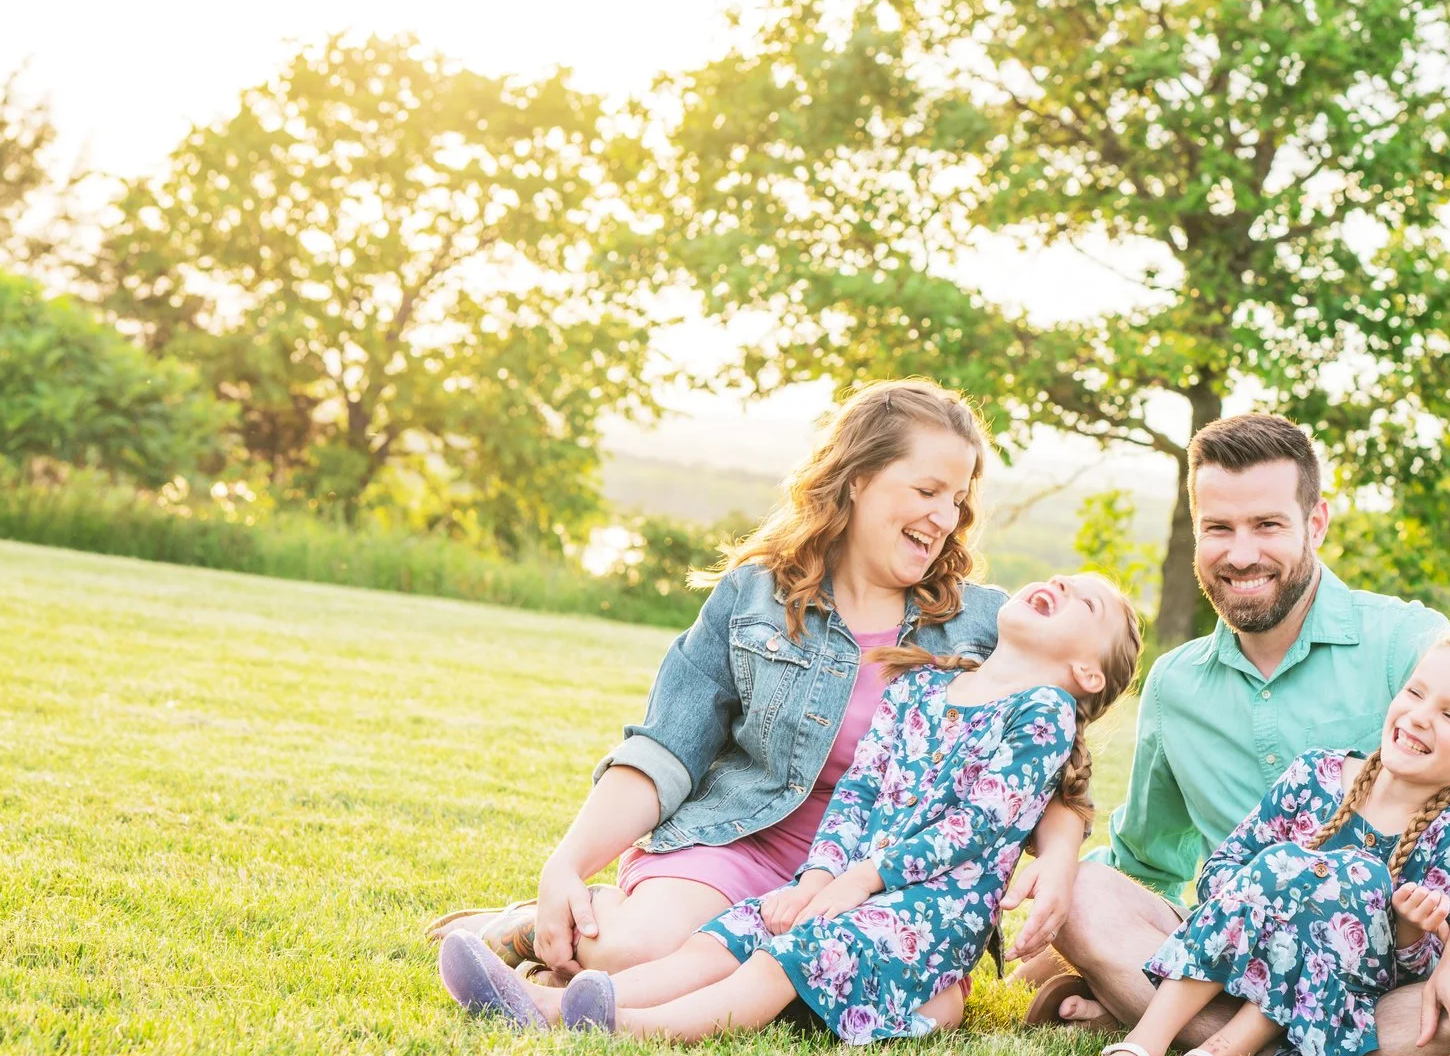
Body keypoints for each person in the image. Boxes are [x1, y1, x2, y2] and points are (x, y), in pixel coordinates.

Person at [430, 380, 1083, 983]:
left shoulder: (984, 625)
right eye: (926, 490)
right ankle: (555, 919)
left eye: (958, 499)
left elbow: (1037, 770)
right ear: (857, 478)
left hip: (878, 884)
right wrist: (566, 864)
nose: (944, 516)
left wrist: (1057, 854)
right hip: (738, 845)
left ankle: (602, 950)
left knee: (811, 991)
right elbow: (666, 749)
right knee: (631, 953)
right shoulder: (754, 595)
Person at [1015, 413, 1450, 1056]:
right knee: (1083, 893)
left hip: (1378, 987)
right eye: (1218, 528)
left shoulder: (1412, 643)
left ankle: (1194, 1037)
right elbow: (1145, 857)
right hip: (1232, 948)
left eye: (1268, 525)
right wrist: (1068, 930)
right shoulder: (1177, 683)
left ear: (1317, 522)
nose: (1241, 553)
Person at [439, 574, 1142, 1043]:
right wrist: (817, 878)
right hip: (839, 884)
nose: (1058, 582)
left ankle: (611, 1023)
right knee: (723, 938)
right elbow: (860, 793)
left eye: (1087, 601)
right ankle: (555, 1003)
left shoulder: (1042, 712)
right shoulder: (920, 686)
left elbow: (978, 824)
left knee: (782, 959)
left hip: (929, 910)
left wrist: (859, 880)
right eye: (1060, 578)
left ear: (1086, 672)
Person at [1083, 628, 1450, 1056]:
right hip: (1238, 946)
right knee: (1288, 866)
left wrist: (1409, 929)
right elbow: (1222, 870)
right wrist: (1275, 894)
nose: (1420, 717)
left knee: (1355, 875)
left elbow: (1420, 973)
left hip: (1342, 996)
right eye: (1415, 693)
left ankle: (1219, 1053)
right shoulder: (1314, 774)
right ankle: (1140, 1045)